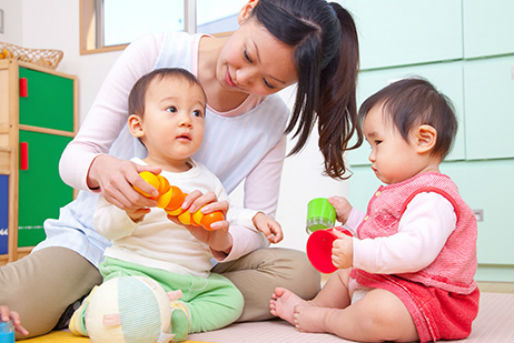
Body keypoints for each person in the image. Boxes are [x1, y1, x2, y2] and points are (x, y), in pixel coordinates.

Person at [0, 0, 361, 338]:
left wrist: (220, 239)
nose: (243, 76)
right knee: (9, 303)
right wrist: (103, 169)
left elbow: (259, 223)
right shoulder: (156, 53)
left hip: (185, 264)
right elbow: (74, 157)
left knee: (298, 273)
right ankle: (97, 305)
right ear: (248, 8)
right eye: (248, 55)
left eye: (270, 83)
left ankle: (142, 308)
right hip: (100, 245)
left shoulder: (270, 120)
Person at [68, 68, 282, 341]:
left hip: (190, 280)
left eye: (197, 113)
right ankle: (92, 312)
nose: (187, 121)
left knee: (230, 299)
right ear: (138, 126)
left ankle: (175, 318)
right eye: (172, 109)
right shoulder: (130, 173)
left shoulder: (207, 179)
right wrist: (129, 215)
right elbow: (105, 225)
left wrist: (255, 218)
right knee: (117, 300)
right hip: (134, 271)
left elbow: (226, 213)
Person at [270, 78, 480, 342]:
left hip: (428, 297)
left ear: (423, 139)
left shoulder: (432, 198)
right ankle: (313, 307)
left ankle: (327, 319)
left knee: (380, 313)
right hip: (393, 281)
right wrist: (352, 217)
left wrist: (356, 251)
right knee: (345, 274)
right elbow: (383, 230)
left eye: (378, 142)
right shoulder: (401, 189)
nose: (371, 155)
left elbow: (413, 251)